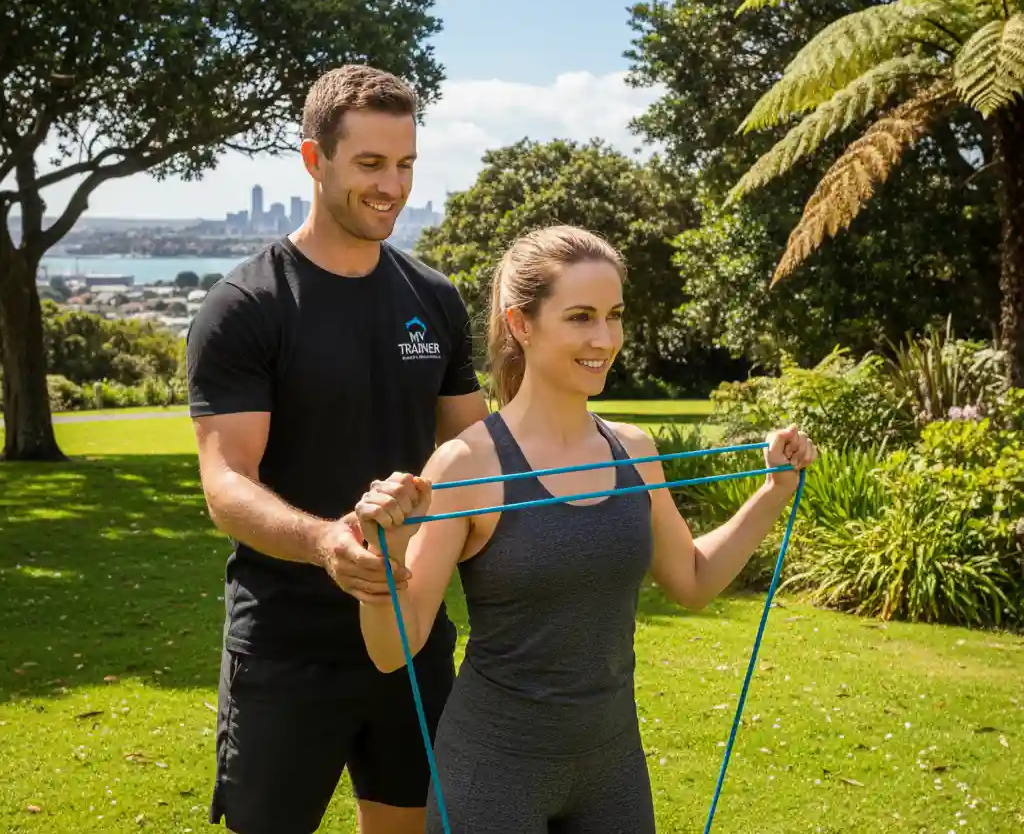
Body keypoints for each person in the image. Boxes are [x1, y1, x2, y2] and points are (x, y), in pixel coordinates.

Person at [354, 225, 817, 834]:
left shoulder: (633, 448)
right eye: (579, 317)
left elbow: (695, 579)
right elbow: (393, 651)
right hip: (493, 773)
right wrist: (386, 553)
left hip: (612, 768)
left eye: (614, 316)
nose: (604, 339)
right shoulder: (468, 464)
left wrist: (773, 491)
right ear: (521, 323)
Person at [186, 65, 489, 834]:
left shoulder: (434, 299)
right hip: (287, 648)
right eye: (370, 164)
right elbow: (226, 480)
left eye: (406, 164)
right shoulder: (247, 306)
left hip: (410, 634)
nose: (392, 186)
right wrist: (325, 542)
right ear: (314, 160)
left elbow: (478, 454)